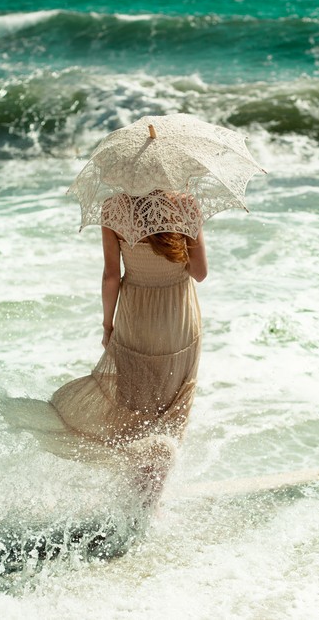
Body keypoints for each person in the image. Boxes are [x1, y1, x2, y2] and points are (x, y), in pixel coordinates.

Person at [49, 190, 207, 509]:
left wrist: (108, 326)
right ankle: (152, 502)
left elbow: (111, 277)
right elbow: (200, 273)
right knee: (173, 410)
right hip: (178, 320)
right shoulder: (186, 205)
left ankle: (133, 500)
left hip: (136, 318)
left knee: (134, 410)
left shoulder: (114, 209)